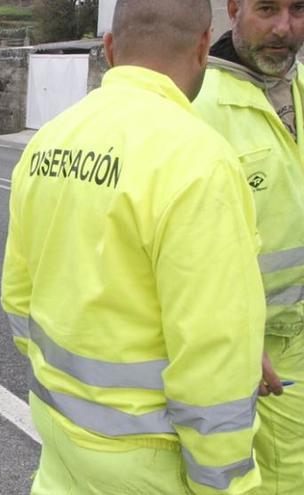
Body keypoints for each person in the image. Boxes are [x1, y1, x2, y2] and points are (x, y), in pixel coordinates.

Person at [1, 0, 265, 493]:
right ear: (205, 46)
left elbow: (18, 297)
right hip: (150, 461)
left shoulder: (49, 141)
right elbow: (215, 357)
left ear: (109, 48)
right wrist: (228, 484)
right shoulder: (199, 162)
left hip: (60, 434)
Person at [193, 1, 304, 493]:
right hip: (257, 357)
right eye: (267, 8)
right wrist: (231, 336)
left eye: (299, 8)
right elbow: (180, 249)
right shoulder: (199, 105)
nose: (284, 28)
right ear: (233, 8)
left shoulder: (299, 87)